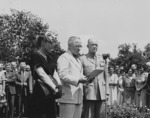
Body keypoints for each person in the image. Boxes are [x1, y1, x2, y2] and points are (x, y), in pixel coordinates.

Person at [30, 34, 62, 118]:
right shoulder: (35, 56)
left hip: (51, 93)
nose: (53, 45)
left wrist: (59, 84)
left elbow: (54, 71)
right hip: (41, 92)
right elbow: (41, 74)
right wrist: (54, 88)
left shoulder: (50, 57)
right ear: (43, 42)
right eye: (50, 42)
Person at [57, 36, 87, 118]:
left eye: (80, 46)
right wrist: (78, 80)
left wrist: (87, 79)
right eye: (77, 46)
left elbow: (78, 75)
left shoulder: (78, 60)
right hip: (68, 97)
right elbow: (62, 74)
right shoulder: (64, 57)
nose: (79, 48)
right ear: (69, 45)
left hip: (78, 98)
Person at [80, 38, 109, 118]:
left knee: (101, 115)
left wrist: (107, 92)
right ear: (87, 46)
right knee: (88, 115)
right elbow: (80, 75)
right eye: (92, 44)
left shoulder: (102, 59)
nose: (94, 46)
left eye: (96, 45)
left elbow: (106, 76)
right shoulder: (82, 59)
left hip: (101, 92)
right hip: (89, 92)